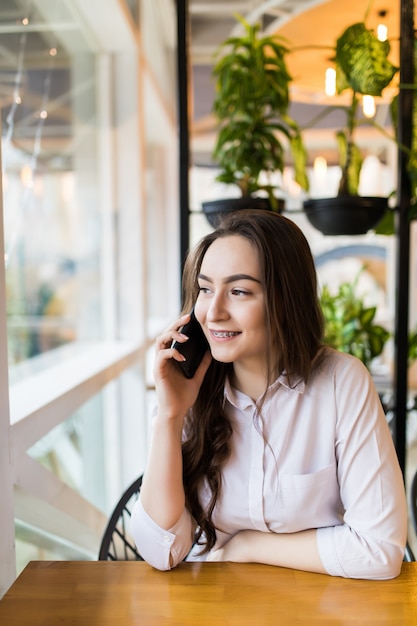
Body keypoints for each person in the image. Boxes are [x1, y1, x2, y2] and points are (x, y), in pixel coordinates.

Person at [132, 209, 407, 579]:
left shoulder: (342, 382)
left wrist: (248, 547)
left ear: (284, 299)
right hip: (211, 607)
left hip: (320, 607)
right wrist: (170, 416)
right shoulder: (187, 390)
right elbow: (160, 552)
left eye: (239, 291)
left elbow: (379, 550)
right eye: (205, 289)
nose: (213, 313)